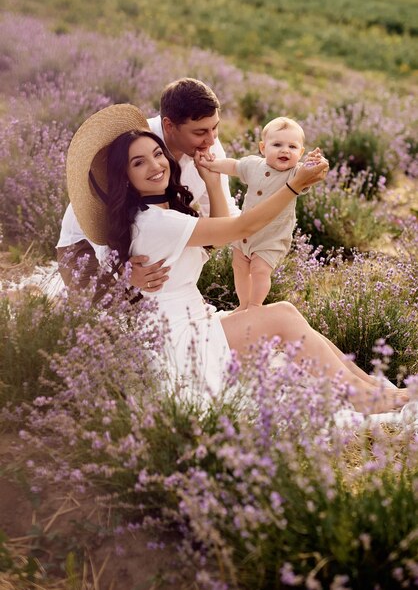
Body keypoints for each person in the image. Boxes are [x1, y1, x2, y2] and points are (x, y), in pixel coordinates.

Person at [66, 103, 409, 415]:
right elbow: (243, 225)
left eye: (157, 154)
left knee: (284, 312)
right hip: (181, 341)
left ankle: (372, 386)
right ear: (125, 177)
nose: (156, 165)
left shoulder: (155, 210)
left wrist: (212, 182)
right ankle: (363, 397)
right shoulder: (157, 221)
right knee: (282, 316)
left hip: (192, 322)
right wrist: (293, 187)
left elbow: (211, 243)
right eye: (138, 163)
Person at [57, 78, 239, 297]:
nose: (210, 140)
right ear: (169, 126)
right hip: (90, 245)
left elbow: (223, 219)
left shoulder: (209, 146)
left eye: (215, 128)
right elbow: (95, 216)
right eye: (200, 132)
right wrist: (121, 269)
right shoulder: (131, 142)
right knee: (111, 325)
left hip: (150, 246)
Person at [196, 116, 320, 312]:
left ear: (301, 152)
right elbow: (234, 166)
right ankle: (243, 303)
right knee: (239, 267)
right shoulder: (254, 165)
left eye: (293, 147)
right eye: (277, 144)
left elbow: (309, 176)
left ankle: (255, 305)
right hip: (244, 232)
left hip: (271, 237)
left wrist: (313, 163)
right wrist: (213, 165)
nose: (285, 150)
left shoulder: (294, 173)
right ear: (263, 148)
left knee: (260, 270)